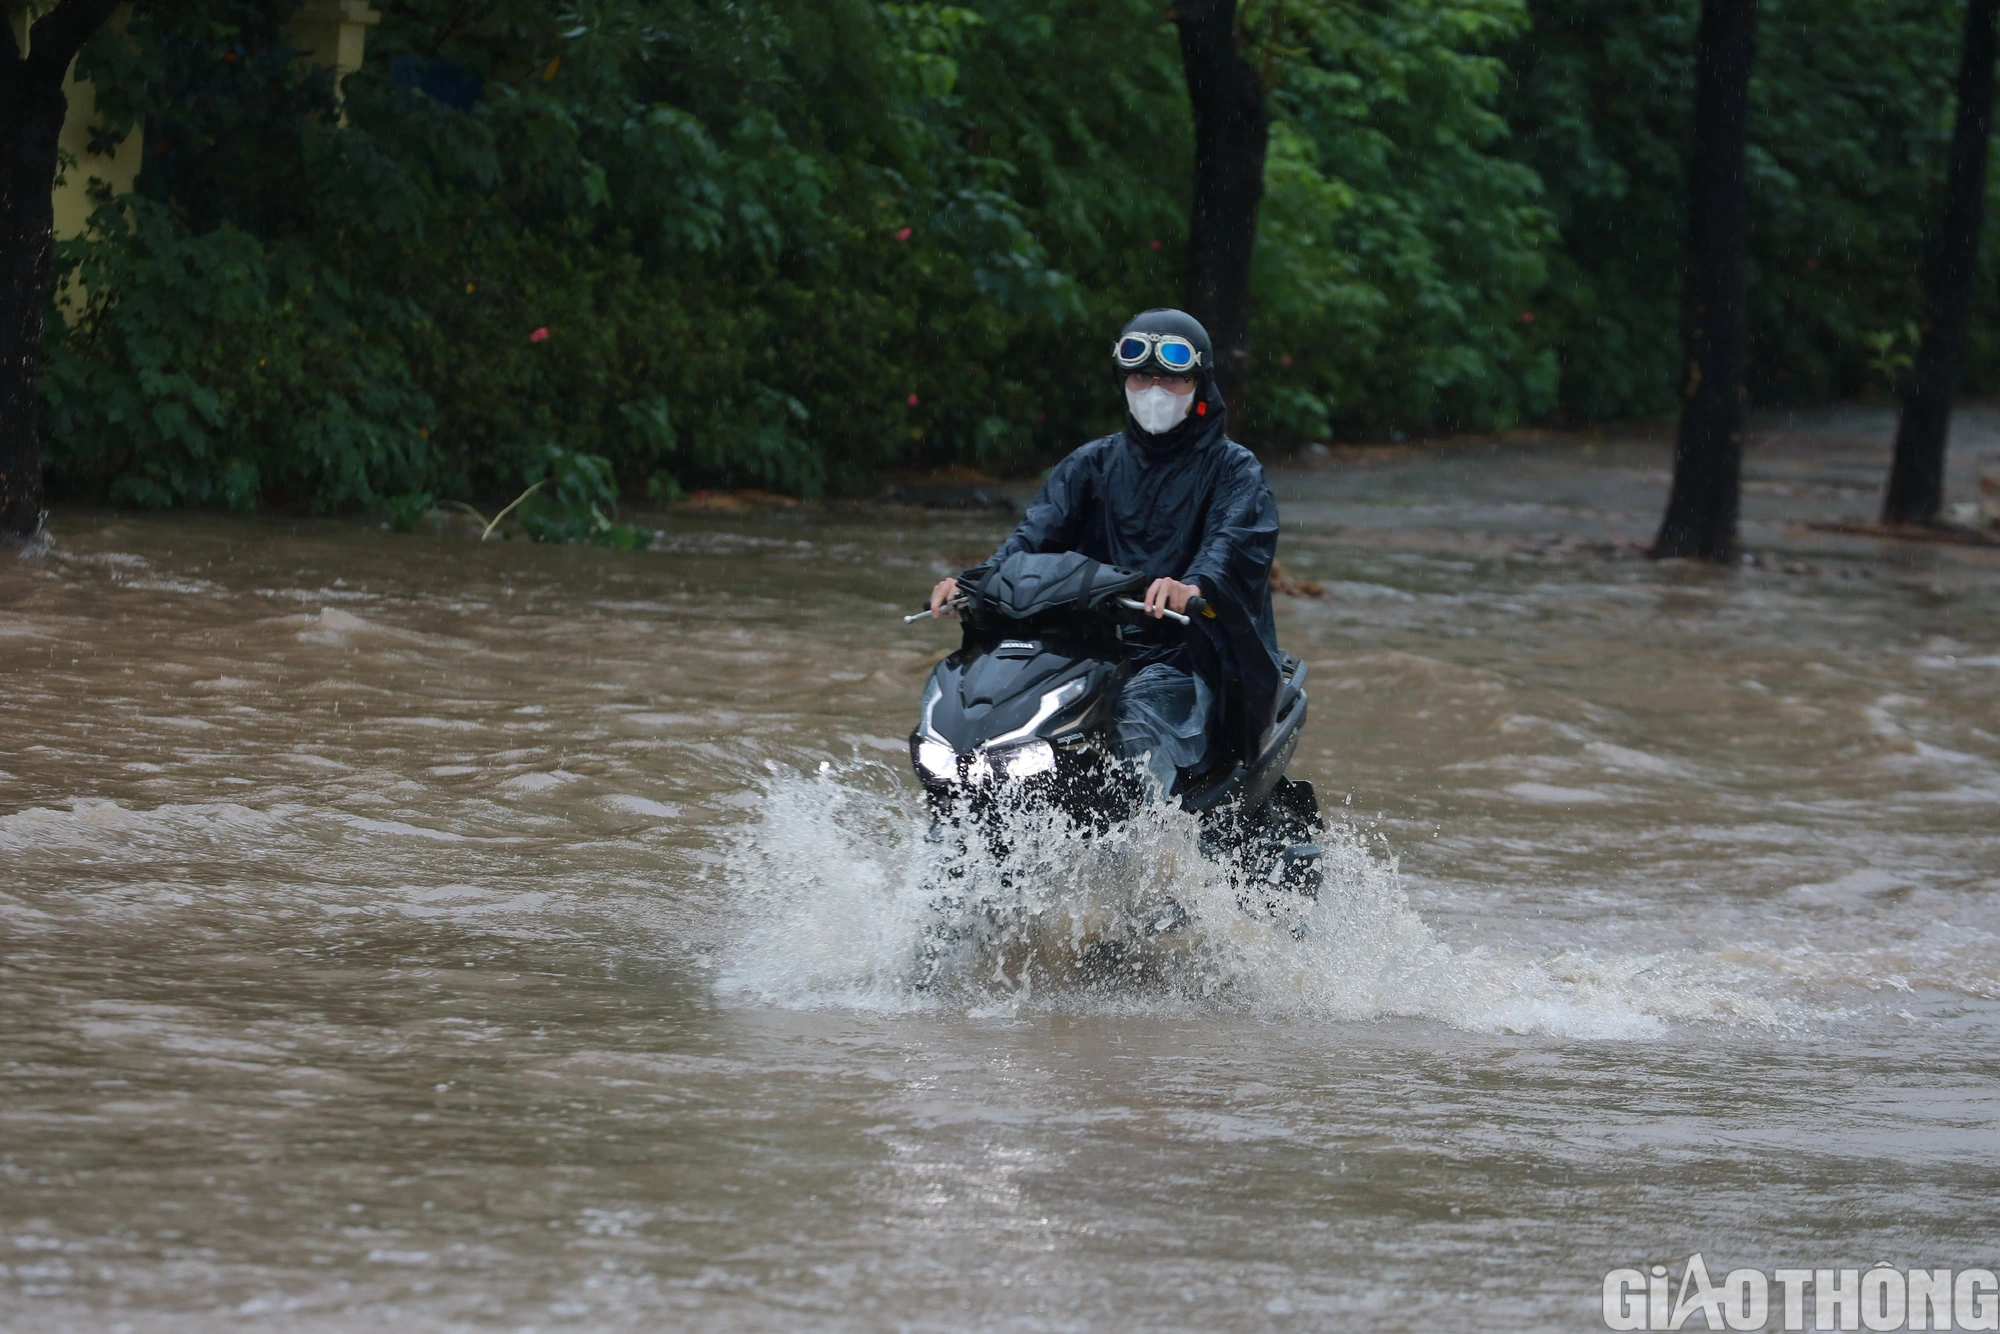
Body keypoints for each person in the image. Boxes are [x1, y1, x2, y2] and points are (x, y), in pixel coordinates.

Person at [928, 308, 1281, 796]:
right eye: (1141, 377)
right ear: (1123, 381)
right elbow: (1032, 537)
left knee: (1131, 737)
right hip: (1087, 648)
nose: (1154, 390)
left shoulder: (1234, 470)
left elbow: (1231, 543)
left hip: (1182, 656)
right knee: (983, 718)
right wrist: (975, 582)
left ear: (1199, 385)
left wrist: (1192, 584)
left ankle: (1141, 840)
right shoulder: (1090, 463)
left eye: (1170, 379)